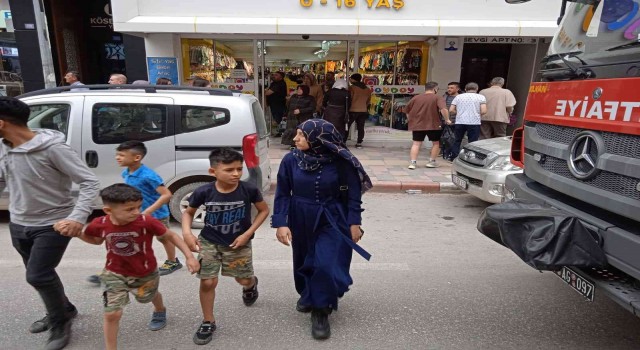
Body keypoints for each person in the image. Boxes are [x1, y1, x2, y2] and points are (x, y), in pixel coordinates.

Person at [0, 97, 100, 350]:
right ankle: (64, 307)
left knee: (38, 275)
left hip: (54, 223)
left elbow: (89, 182)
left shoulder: (54, 149)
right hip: (19, 222)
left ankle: (59, 322)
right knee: (40, 273)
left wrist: (77, 218)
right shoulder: (4, 146)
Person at [272, 119, 372, 340]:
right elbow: (282, 193)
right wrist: (281, 222)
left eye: (302, 135)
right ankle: (308, 294)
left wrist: (354, 223)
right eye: (296, 133)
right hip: (300, 216)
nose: (295, 138)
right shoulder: (290, 160)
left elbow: (353, 195)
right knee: (303, 260)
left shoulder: (341, 161)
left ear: (319, 139)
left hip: (333, 217)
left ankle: (321, 310)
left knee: (325, 264)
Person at [79, 184, 199, 350]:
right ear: (108, 211)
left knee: (148, 297)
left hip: (145, 272)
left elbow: (171, 235)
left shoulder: (145, 221)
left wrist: (190, 257)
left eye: (138, 207)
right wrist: (78, 233)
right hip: (114, 273)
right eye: (129, 209)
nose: (136, 212)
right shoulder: (100, 223)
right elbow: (96, 240)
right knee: (112, 313)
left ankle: (159, 309)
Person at [182, 148, 269, 345]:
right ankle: (208, 321)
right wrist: (187, 233)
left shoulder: (248, 189)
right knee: (207, 282)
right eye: (229, 170)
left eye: (239, 169)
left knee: (242, 279)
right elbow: (188, 213)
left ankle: (251, 284)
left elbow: (263, 211)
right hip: (209, 241)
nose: (236, 174)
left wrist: (247, 234)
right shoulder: (204, 191)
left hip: (239, 244)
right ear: (213, 172)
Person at [405, 82, 451, 169]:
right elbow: (443, 109)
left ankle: (412, 163)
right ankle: (432, 162)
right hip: (434, 124)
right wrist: (447, 119)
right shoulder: (437, 97)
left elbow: (407, 110)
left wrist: (410, 120)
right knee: (436, 143)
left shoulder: (416, 97)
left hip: (418, 124)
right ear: (435, 89)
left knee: (416, 143)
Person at [449, 82, 487, 158]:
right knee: (472, 142)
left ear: (465, 89)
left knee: (457, 140)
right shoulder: (481, 97)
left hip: (460, 121)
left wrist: (459, 113)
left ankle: (453, 157)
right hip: (474, 122)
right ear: (477, 89)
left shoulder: (458, 97)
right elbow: (483, 111)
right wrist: (476, 114)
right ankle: (470, 157)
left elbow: (451, 110)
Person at [348, 73, 372, 149]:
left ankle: (343, 141)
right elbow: (368, 101)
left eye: (350, 78)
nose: (350, 80)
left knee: (347, 126)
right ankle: (359, 143)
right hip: (363, 110)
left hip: (353, 110)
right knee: (360, 127)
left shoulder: (352, 88)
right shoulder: (367, 89)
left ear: (353, 79)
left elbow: (349, 99)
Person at [442, 82, 461, 161]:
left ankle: (452, 153)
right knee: (445, 138)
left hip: (456, 121)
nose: (449, 89)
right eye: (448, 87)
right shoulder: (445, 96)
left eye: (452, 88)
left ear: (457, 89)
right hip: (444, 120)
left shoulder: (460, 97)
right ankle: (445, 152)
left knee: (454, 138)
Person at [265, 71, 288, 136]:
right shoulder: (275, 83)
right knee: (278, 118)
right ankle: (281, 132)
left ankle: (282, 132)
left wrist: (265, 90)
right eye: (274, 75)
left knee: (279, 118)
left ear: (281, 77)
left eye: (276, 75)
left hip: (278, 104)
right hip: (275, 104)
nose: (274, 76)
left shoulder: (280, 84)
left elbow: (268, 92)